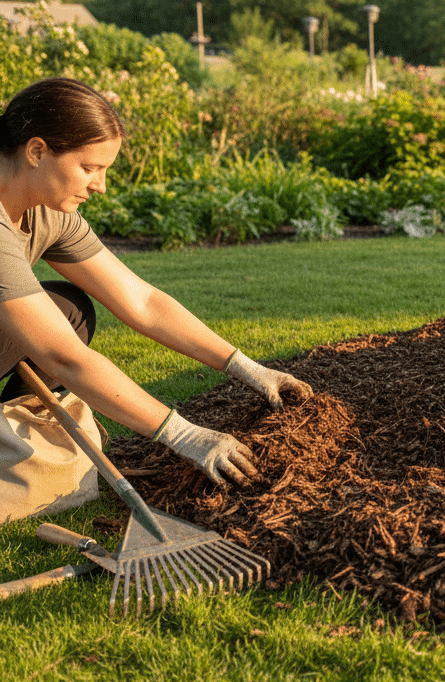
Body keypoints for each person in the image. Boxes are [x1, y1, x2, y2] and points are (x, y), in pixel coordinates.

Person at [0, 77, 311, 488]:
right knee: (59, 332)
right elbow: (65, 358)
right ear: (37, 151)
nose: (101, 185)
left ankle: (10, 441)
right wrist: (184, 435)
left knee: (68, 309)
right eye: (89, 168)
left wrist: (246, 368)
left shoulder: (49, 212)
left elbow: (141, 301)